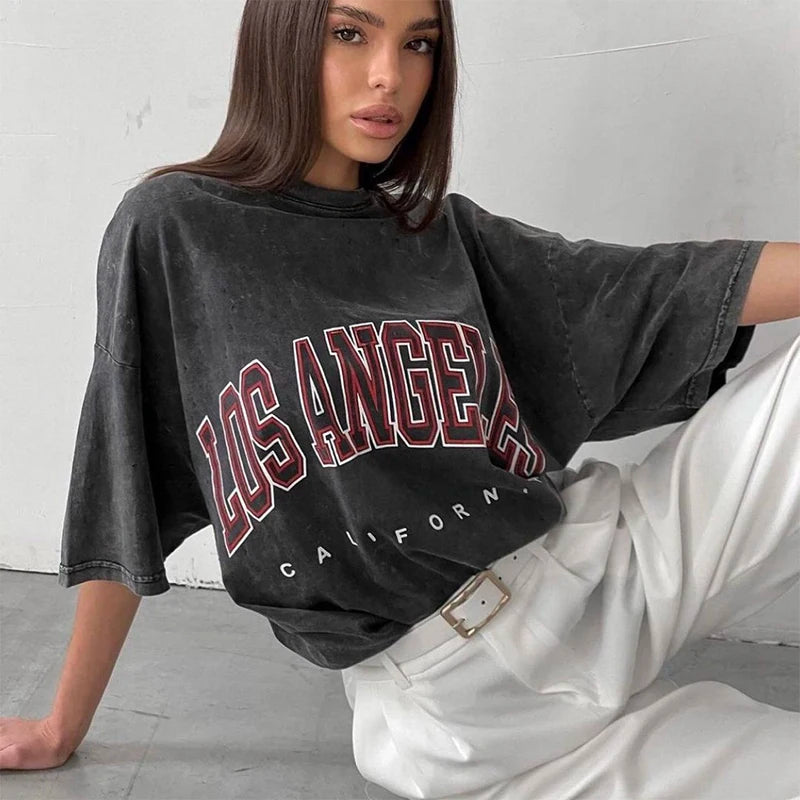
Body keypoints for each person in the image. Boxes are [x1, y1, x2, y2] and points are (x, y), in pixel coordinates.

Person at [1, 0, 798, 797]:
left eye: (418, 44)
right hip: (461, 712)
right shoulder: (176, 229)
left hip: (605, 564)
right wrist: (61, 724)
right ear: (282, 37)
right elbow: (123, 478)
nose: (391, 76)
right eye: (350, 33)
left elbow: (668, 288)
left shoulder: (440, 233)